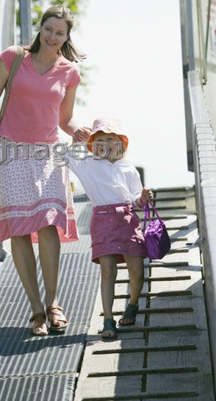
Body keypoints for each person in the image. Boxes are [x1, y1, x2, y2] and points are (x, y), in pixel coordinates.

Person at [0, 5, 90, 336]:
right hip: (10, 152)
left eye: (60, 33)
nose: (53, 37)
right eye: (49, 29)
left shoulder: (69, 72)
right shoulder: (13, 57)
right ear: (40, 29)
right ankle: (35, 309)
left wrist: (79, 132)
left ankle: (54, 302)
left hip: (49, 154)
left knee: (49, 224)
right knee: (19, 229)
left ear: (67, 37)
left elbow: (64, 118)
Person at [68, 116, 153, 340]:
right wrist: (77, 141)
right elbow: (64, 156)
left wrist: (143, 197)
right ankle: (108, 319)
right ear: (94, 144)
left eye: (112, 139)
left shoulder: (129, 170)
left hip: (127, 219)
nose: (107, 144)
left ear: (121, 143)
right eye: (101, 139)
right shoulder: (87, 164)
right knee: (108, 270)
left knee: (137, 271)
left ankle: (132, 304)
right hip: (102, 220)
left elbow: (135, 200)